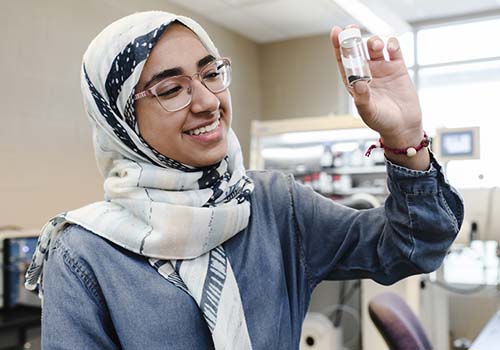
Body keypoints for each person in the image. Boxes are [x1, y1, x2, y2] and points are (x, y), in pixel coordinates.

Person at [25, 11, 463, 350]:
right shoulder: (84, 254)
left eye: (211, 72)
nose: (208, 101)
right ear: (120, 120)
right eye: (171, 89)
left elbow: (413, 248)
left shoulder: (273, 205)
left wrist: (404, 138)